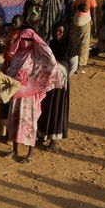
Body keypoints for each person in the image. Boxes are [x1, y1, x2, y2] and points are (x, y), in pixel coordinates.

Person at [5, 28, 63, 163]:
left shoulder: (37, 55)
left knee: (29, 124)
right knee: (14, 121)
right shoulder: (17, 55)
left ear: (33, 41)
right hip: (16, 95)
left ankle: (30, 153)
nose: (25, 42)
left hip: (29, 97)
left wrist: (35, 85)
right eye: (23, 40)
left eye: (28, 40)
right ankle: (15, 150)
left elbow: (50, 65)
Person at [37, 23, 71, 152]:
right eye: (56, 31)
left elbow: (71, 66)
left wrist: (59, 70)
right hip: (48, 82)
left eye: (61, 31)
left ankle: (54, 141)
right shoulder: (50, 44)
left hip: (60, 85)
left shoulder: (69, 46)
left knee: (56, 110)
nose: (58, 33)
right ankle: (42, 134)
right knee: (45, 107)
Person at [69, 0, 97, 73]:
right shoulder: (92, 1)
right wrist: (95, 27)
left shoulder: (77, 0)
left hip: (75, 21)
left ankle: (72, 62)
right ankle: (80, 64)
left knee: (75, 42)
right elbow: (94, 15)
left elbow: (73, 11)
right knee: (84, 43)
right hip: (85, 22)